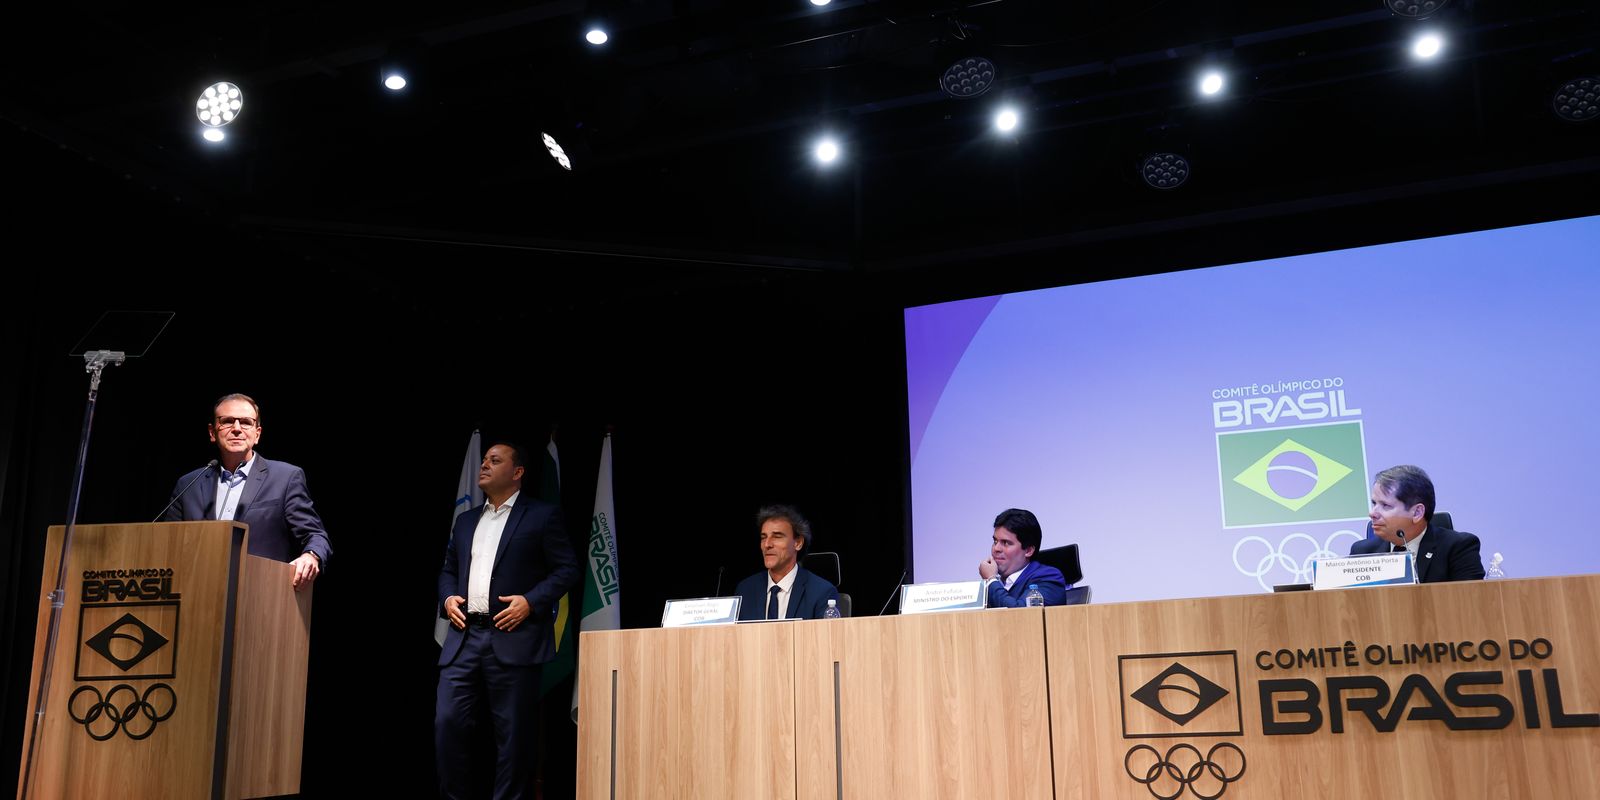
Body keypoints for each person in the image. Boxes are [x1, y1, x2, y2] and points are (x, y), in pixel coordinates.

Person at [436, 442, 579, 800]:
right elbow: (449, 570)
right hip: (464, 639)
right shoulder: (466, 521)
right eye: (484, 459)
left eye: (494, 460)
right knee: (447, 725)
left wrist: (530, 602)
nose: (484, 465)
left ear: (517, 473)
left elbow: (567, 569)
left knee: (514, 740)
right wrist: (448, 597)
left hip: (514, 638)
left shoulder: (541, 516)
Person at [162, 392, 330, 590]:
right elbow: (166, 542)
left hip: (261, 592)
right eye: (227, 421)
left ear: (257, 434)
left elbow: (315, 535)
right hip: (197, 591)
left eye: (245, 422)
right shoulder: (189, 484)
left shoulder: (285, 478)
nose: (236, 429)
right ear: (212, 432)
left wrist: (311, 556)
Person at [1349, 465, 1485, 582]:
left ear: (1417, 513)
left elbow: (1469, 601)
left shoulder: (1458, 548)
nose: (1372, 513)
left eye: (1386, 505)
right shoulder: (1362, 552)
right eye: (1374, 503)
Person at [735, 504, 839, 620]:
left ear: (798, 543)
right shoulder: (745, 590)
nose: (767, 544)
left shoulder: (821, 592)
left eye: (777, 536)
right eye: (764, 537)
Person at [979, 508, 1069, 607]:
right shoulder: (994, 585)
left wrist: (991, 580)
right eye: (995, 541)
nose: (996, 548)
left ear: (1028, 550)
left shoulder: (1049, 578)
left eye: (1006, 543)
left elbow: (1020, 613)